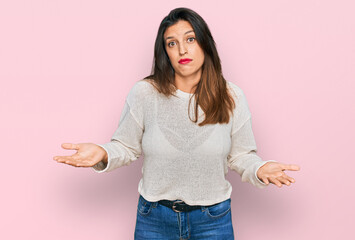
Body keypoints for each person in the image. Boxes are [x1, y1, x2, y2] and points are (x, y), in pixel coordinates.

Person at [53, 7, 300, 240]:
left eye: (190, 39)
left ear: (205, 43)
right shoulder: (145, 93)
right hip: (154, 220)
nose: (182, 50)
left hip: (213, 220)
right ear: (165, 52)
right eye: (172, 43)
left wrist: (259, 168)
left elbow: (241, 155)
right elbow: (126, 147)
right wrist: (103, 152)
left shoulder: (231, 96)